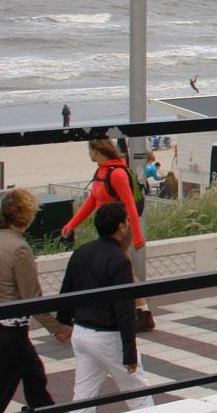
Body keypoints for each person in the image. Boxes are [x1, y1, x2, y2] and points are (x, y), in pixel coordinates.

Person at [0, 189, 71, 413]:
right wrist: (56, 328)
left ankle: (44, 408)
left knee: (34, 374)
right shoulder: (20, 249)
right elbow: (32, 298)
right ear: (26, 215)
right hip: (11, 328)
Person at [58, 205, 153, 412]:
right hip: (109, 338)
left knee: (83, 397)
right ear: (120, 227)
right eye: (128, 222)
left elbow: (66, 292)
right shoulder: (119, 261)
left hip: (82, 333)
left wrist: (63, 323)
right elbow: (124, 309)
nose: (129, 226)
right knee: (139, 395)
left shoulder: (81, 252)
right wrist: (130, 353)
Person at [60, 138, 153, 332]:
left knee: (123, 269)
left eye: (89, 150)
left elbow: (129, 205)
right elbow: (92, 201)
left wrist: (137, 236)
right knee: (121, 268)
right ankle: (140, 311)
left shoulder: (117, 174)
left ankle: (142, 312)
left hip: (120, 230)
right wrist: (71, 224)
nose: (89, 154)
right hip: (106, 229)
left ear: (95, 151)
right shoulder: (101, 172)